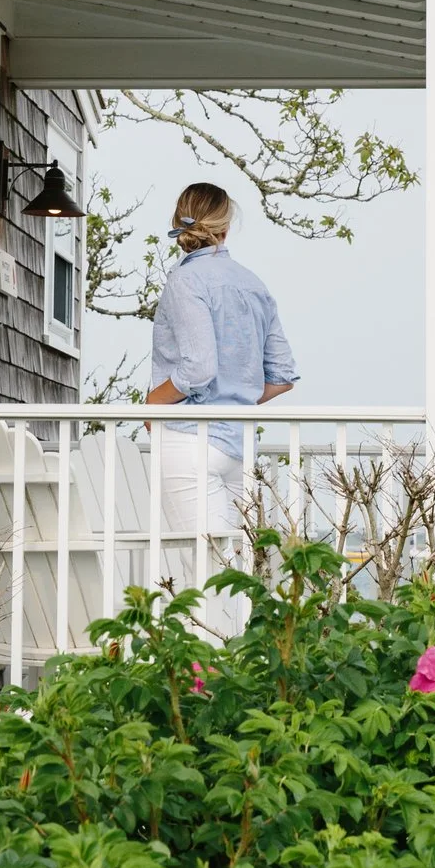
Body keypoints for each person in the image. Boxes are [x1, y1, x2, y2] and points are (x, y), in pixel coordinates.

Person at [146, 182, 298, 599]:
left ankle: (206, 665)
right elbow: (282, 375)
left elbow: (198, 367)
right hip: (238, 445)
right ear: (227, 226)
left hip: (189, 439)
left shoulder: (185, 281)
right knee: (241, 575)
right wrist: (240, 396)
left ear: (180, 221)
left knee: (204, 574)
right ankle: (237, 662)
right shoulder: (253, 284)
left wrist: (152, 404)